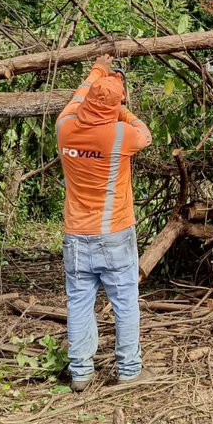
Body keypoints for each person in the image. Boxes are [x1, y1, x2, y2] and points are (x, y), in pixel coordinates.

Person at [56, 54, 153, 391]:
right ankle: (129, 370)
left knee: (79, 303)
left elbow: (78, 98)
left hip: (76, 236)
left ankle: (81, 373)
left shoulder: (65, 127)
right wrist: (121, 108)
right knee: (125, 302)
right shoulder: (120, 135)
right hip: (115, 234)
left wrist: (97, 70)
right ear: (116, 106)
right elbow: (145, 133)